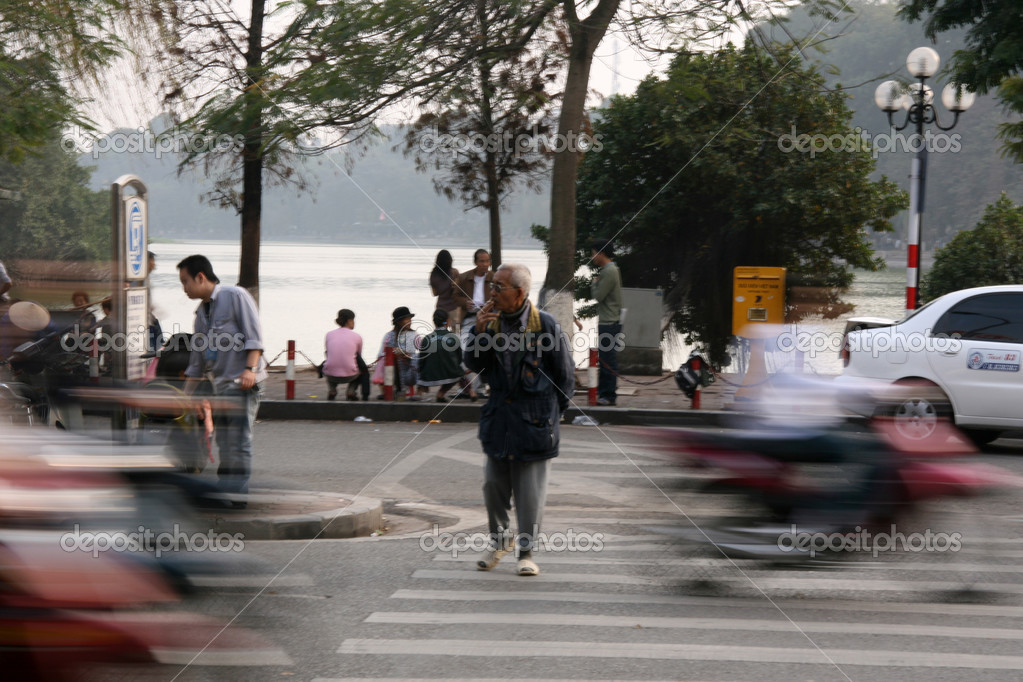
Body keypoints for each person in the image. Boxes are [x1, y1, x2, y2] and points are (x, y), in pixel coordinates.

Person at [463, 263, 575, 577]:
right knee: (492, 485)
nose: (492, 292)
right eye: (492, 286)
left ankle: (526, 552)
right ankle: (500, 541)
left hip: (535, 422)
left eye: (499, 287)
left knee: (530, 495)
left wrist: (552, 416)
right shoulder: (488, 323)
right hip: (499, 419)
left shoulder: (546, 326)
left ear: (520, 293)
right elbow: (473, 363)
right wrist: (480, 334)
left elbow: (565, 378)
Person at [177, 254, 267, 503]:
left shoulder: (235, 296)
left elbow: (254, 337)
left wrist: (250, 369)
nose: (184, 288)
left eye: (185, 281)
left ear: (201, 277)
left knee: (238, 442)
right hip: (221, 386)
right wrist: (184, 395)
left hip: (243, 383)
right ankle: (226, 491)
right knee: (225, 443)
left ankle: (237, 497)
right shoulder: (201, 315)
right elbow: (197, 363)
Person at [453, 249, 493, 398]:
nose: (485, 264)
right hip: (469, 319)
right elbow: (455, 297)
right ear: (476, 262)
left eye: (487, 261)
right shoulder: (464, 278)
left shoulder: (494, 278)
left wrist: (490, 304)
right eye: (482, 261)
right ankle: (466, 388)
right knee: (463, 351)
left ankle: (480, 388)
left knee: (485, 352)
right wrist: (465, 303)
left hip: (488, 319)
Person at [590, 238, 622, 406]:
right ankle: (605, 394)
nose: (593, 257)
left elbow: (598, 296)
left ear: (601, 253)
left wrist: (594, 284)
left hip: (609, 322)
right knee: (605, 358)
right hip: (609, 320)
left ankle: (608, 395)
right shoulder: (610, 270)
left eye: (594, 254)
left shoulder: (608, 271)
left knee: (608, 360)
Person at [416, 309, 465, 402]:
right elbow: (459, 358)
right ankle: (441, 393)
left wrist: (421, 373)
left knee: (421, 366)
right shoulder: (453, 337)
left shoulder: (427, 338)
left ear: (434, 322)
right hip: (449, 375)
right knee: (461, 373)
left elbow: (421, 360)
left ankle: (418, 393)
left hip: (428, 377)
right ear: (447, 321)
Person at [372, 306, 419, 398]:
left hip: (408, 374)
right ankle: (388, 389)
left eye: (410, 319)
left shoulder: (412, 335)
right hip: (392, 372)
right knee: (383, 361)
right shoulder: (388, 336)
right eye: (406, 319)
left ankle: (414, 390)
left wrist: (406, 355)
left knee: (417, 359)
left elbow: (413, 356)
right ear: (398, 321)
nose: (410, 321)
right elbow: (381, 355)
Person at [323, 308, 369, 401]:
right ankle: (351, 391)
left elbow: (328, 352)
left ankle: (332, 390)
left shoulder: (329, 334)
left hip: (331, 375)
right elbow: (358, 355)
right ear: (349, 321)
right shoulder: (357, 336)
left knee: (328, 363)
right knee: (360, 369)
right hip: (350, 375)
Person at [429, 250, 460, 326]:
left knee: (440, 330)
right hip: (454, 307)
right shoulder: (454, 272)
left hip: (441, 307)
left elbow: (434, 293)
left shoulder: (433, 274)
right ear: (450, 260)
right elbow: (459, 290)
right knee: (456, 332)